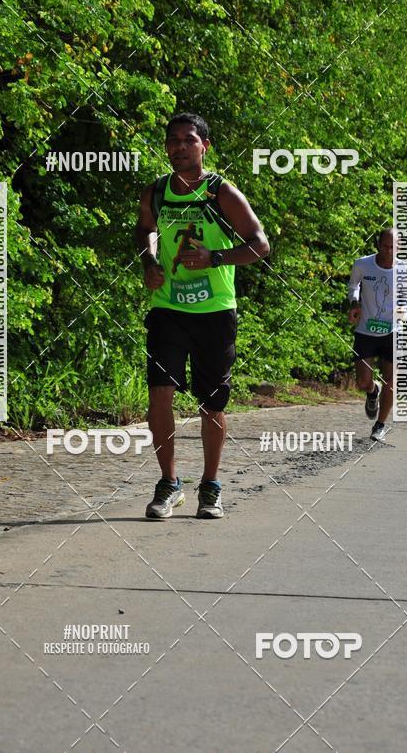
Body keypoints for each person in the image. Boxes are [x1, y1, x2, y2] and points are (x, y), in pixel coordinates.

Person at [135, 112, 270, 519]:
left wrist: (215, 257)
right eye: (172, 140)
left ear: (204, 147)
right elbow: (144, 231)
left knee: (212, 404)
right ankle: (169, 484)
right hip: (168, 310)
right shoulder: (156, 193)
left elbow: (260, 244)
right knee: (160, 394)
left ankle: (210, 486)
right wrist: (150, 262)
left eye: (188, 140)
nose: (179, 146)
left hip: (214, 312)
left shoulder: (221, 193)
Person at [348, 228, 407, 442]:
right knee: (363, 382)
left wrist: (404, 312)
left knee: (391, 380)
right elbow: (353, 286)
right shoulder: (362, 264)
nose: (388, 251)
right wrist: (355, 304)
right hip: (366, 330)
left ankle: (380, 425)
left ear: (400, 248)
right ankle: (372, 391)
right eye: (385, 246)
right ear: (378, 245)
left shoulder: (405, 270)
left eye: (393, 247)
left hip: (393, 332)